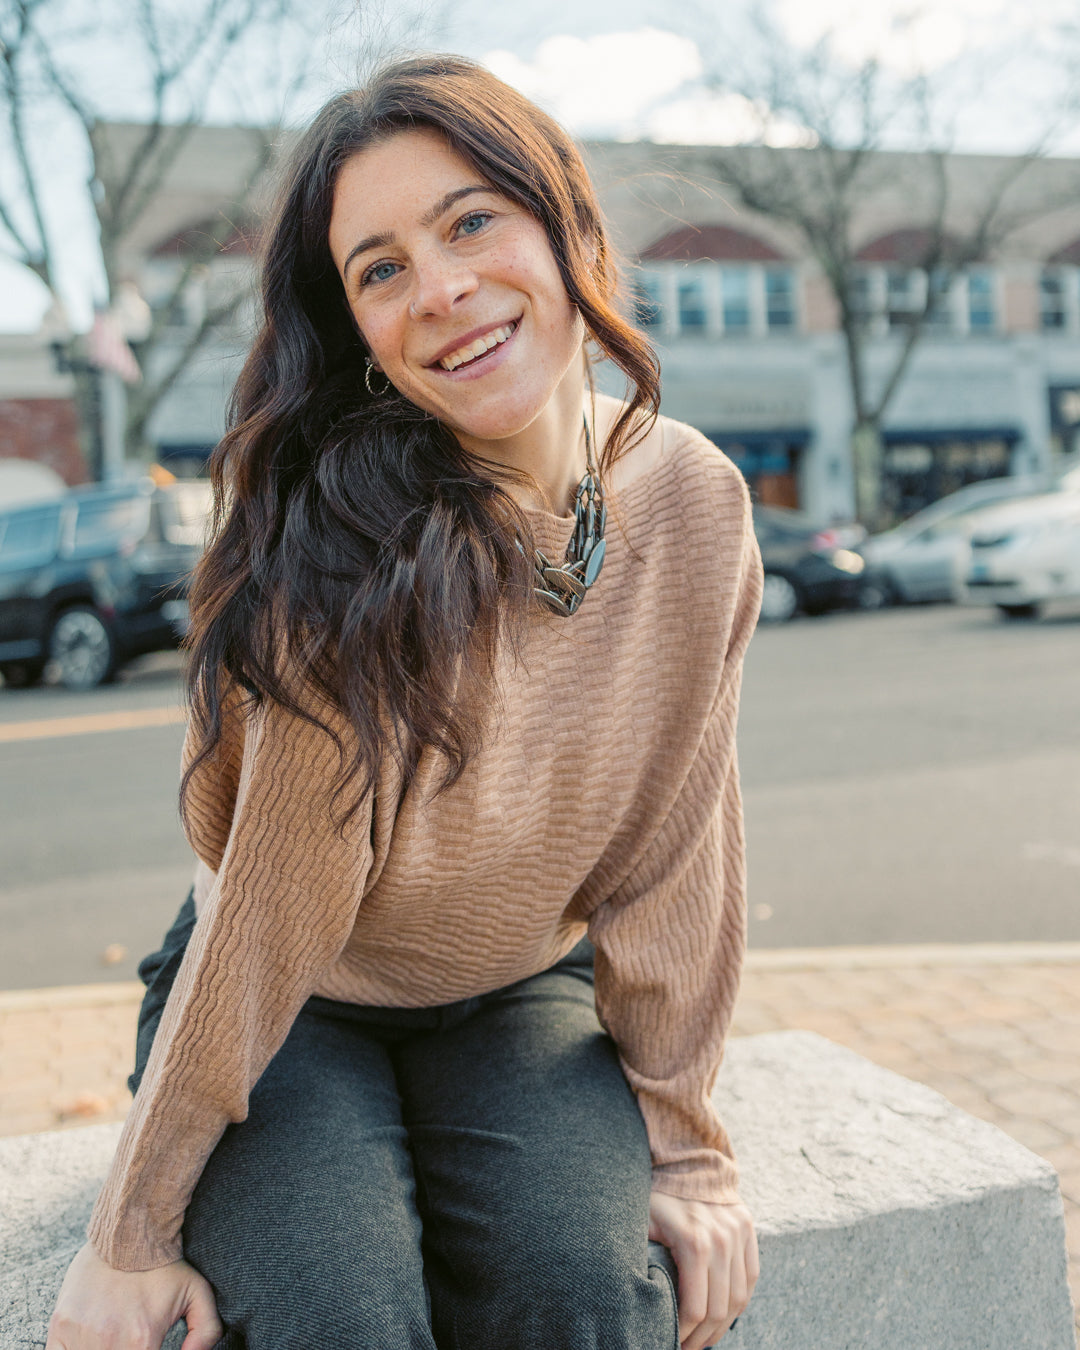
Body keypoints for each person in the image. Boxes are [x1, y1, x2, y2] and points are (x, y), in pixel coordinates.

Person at [47, 53, 763, 1350]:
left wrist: (690, 1145)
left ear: (567, 224)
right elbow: (267, 913)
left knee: (589, 1302)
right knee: (343, 1317)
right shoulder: (345, 557)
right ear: (360, 329)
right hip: (288, 998)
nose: (441, 290)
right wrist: (129, 1230)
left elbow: (679, 841)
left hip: (515, 989)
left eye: (470, 221)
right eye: (379, 269)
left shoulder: (695, 500)